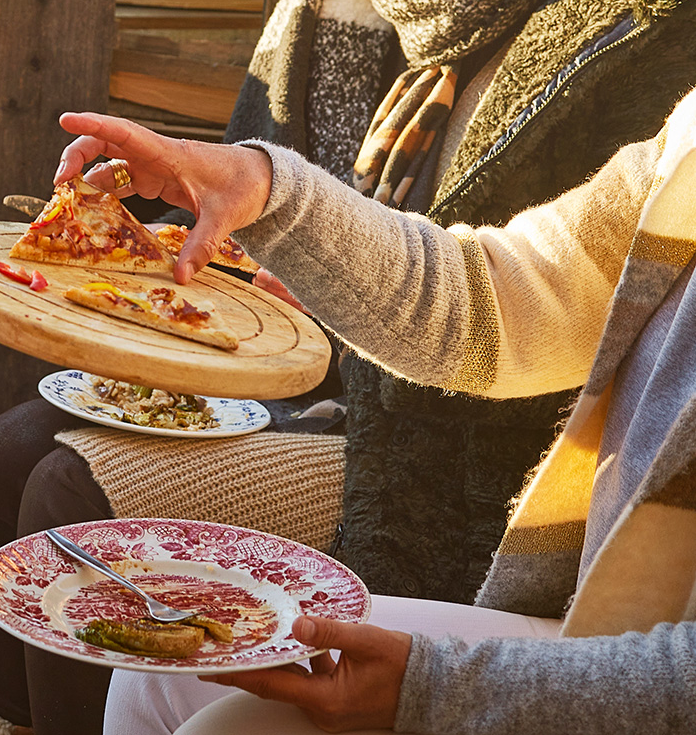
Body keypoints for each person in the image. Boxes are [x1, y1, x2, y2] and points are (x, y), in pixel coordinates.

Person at [0, 0, 696, 735]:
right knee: (10, 448)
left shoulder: (647, 7)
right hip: (369, 364)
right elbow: (495, 293)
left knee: (64, 499)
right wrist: (251, 189)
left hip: (468, 460)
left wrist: (434, 684)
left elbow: (540, 353)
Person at [53, 105, 696, 735]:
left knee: (231, 722)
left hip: (645, 686)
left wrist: (441, 689)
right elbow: (491, 298)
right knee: (162, 668)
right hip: (604, 631)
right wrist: (264, 190)